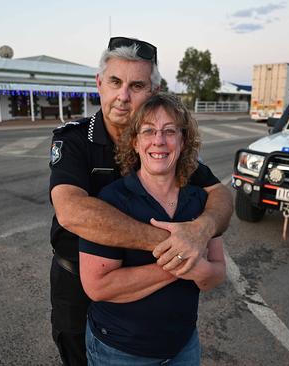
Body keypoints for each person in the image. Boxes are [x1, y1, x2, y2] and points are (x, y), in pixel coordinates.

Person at [49, 37, 232, 366]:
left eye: (136, 85)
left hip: (151, 299)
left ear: (154, 90)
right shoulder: (75, 139)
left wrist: (201, 229)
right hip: (78, 282)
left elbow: (219, 194)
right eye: (115, 82)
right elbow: (70, 211)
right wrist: (175, 247)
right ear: (99, 83)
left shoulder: (161, 145)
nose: (122, 96)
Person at [79, 92, 226, 364]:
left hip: (183, 346)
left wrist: (199, 267)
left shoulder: (200, 201)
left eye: (170, 131)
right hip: (120, 351)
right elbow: (97, 286)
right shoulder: (112, 200)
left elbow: (216, 275)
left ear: (183, 141)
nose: (159, 140)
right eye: (148, 131)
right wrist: (183, 259)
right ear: (135, 142)